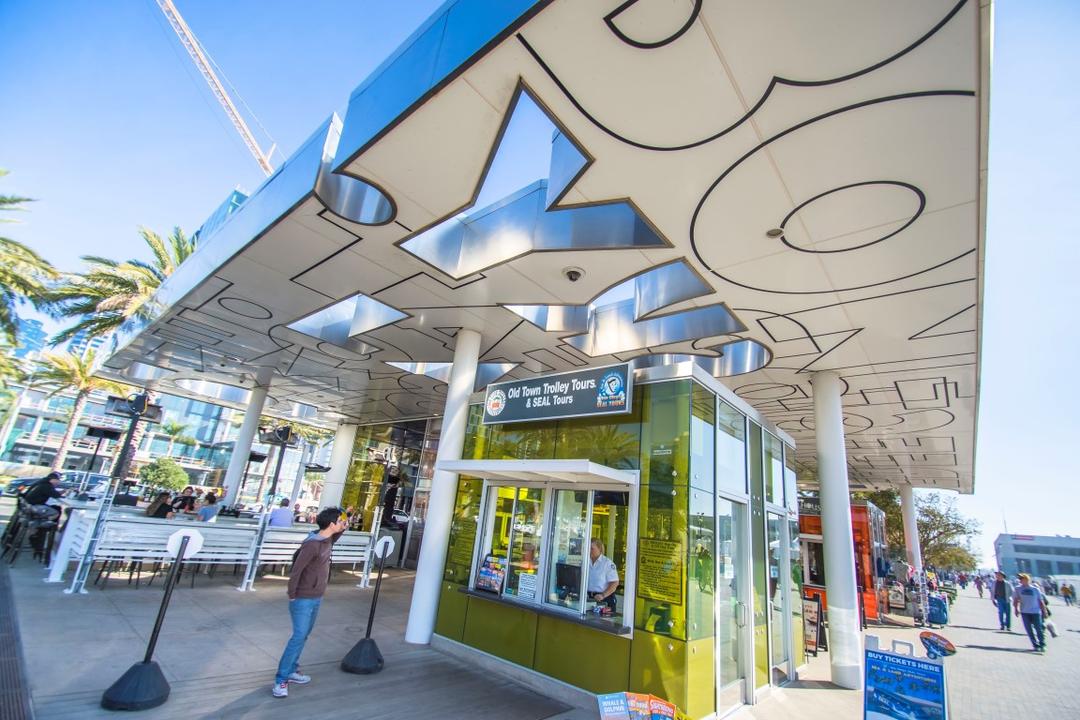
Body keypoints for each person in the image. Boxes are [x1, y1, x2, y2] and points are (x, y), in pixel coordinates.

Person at [272, 507, 347, 698]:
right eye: (339, 521)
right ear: (331, 524)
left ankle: (291, 670)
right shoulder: (312, 544)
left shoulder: (326, 540)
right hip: (303, 598)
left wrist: (345, 523)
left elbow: (337, 534)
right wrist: (292, 593)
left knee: (303, 635)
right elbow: (297, 570)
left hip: (316, 596)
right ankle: (281, 680)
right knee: (298, 636)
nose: (341, 523)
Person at [19, 472, 64, 552]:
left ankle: (38, 525)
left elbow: (54, 493)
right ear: (52, 480)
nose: (58, 482)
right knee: (56, 512)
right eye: (57, 480)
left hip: (27, 506)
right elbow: (56, 495)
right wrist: (64, 492)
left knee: (54, 508)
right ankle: (39, 525)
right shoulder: (47, 486)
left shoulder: (41, 483)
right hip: (33, 507)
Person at [1013, 573, 1048, 652]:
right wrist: (1016, 609)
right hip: (1025, 612)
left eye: (1023, 579)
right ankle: (1035, 644)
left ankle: (1042, 644)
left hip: (1035, 612)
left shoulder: (1035, 589)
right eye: (1020, 579)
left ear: (1027, 580)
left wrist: (1044, 611)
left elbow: (1040, 601)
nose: (1021, 580)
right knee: (1029, 629)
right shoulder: (1018, 589)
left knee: (1038, 628)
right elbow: (1016, 599)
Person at [587, 538, 619, 613]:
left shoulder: (607, 563)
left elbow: (615, 583)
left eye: (592, 548)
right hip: (589, 598)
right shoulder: (586, 561)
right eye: (588, 548)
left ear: (599, 549)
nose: (589, 550)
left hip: (604, 600)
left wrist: (603, 595)